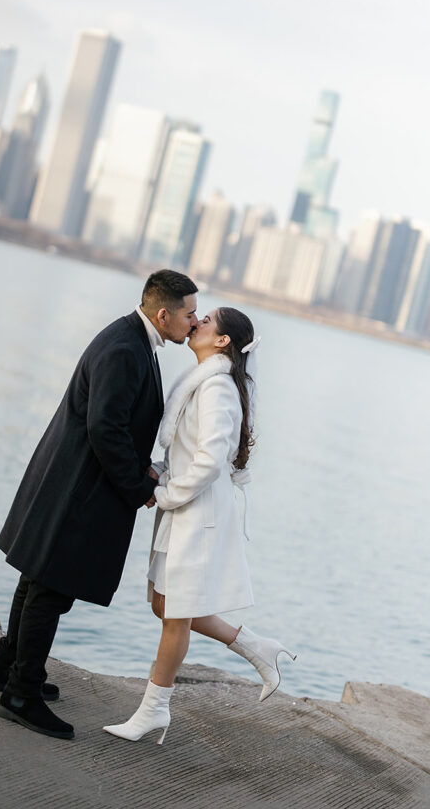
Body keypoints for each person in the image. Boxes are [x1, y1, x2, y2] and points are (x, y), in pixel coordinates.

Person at [0, 269, 199, 740]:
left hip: (68, 477)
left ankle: (8, 668)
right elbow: (106, 428)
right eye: (189, 314)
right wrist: (138, 487)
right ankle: (20, 694)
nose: (194, 321)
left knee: (37, 578)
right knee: (50, 589)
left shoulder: (132, 337)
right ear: (164, 314)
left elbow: (115, 422)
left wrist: (138, 470)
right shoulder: (126, 349)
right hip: (79, 489)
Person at [103, 307, 296, 745]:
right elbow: (191, 451)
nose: (197, 322)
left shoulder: (218, 390)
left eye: (206, 320)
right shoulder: (207, 382)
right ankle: (255, 647)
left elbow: (209, 461)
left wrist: (168, 494)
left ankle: (154, 710)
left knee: (174, 615)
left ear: (223, 341)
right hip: (185, 506)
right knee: (164, 604)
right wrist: (157, 472)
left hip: (197, 511)